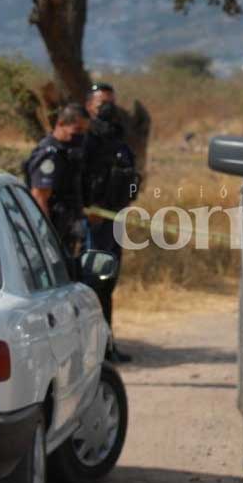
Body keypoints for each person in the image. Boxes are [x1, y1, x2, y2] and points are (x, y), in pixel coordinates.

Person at [84, 82, 141, 363]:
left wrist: (127, 201)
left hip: (114, 219)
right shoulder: (84, 139)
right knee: (89, 283)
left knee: (108, 283)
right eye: (100, 104)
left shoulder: (119, 140)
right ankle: (87, 349)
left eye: (110, 104)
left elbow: (133, 179)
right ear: (88, 107)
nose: (106, 110)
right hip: (91, 222)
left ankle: (107, 346)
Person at [24, 103, 89, 255]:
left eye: (84, 131)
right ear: (60, 124)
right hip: (52, 230)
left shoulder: (66, 152)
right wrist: (46, 238)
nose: (81, 136)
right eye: (77, 130)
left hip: (66, 227)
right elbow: (40, 196)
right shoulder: (51, 154)